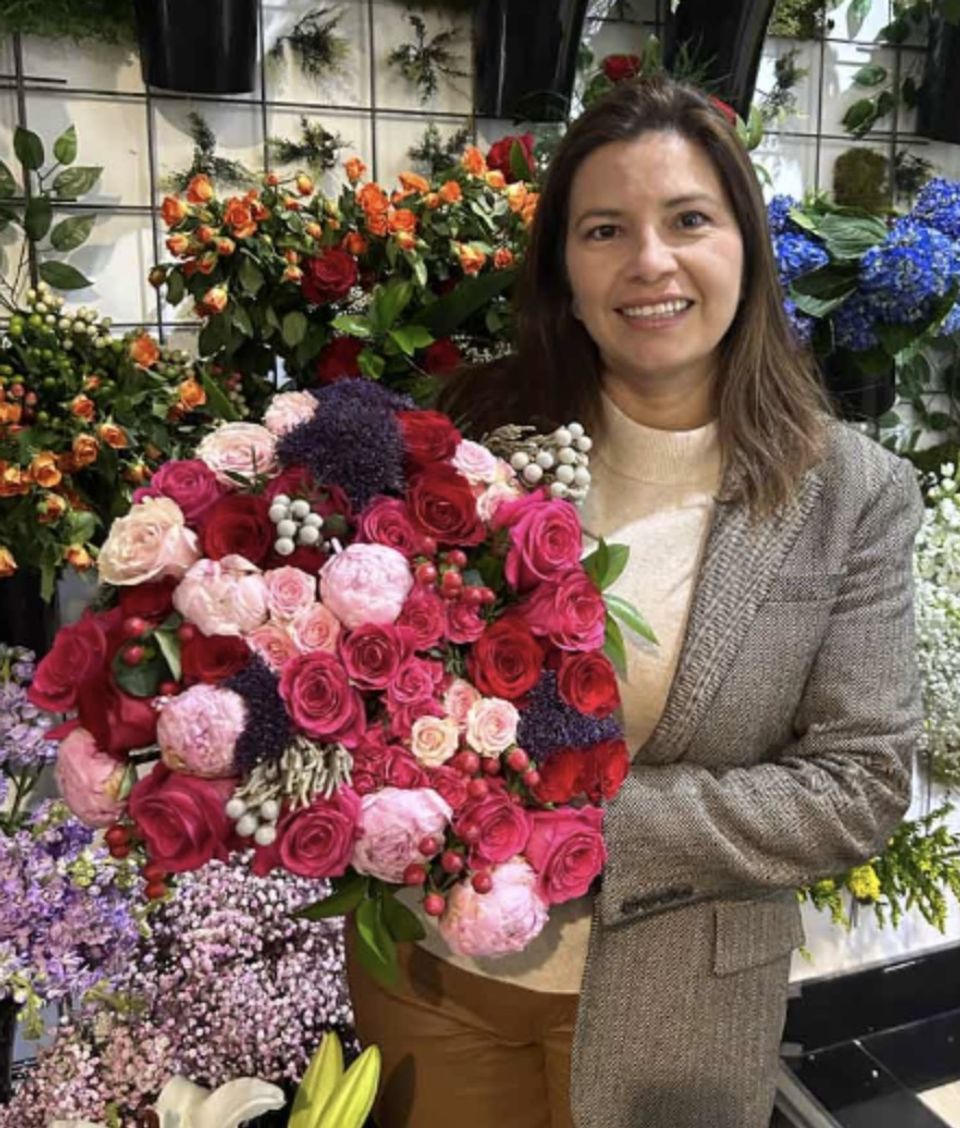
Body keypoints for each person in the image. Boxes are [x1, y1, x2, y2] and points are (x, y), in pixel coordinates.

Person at [346, 74, 924, 1128]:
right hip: (431, 980)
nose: (649, 262)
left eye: (688, 220)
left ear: (744, 251)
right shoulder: (478, 436)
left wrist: (568, 820)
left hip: (673, 1007)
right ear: (565, 273)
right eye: (605, 229)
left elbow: (858, 786)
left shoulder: (847, 493)